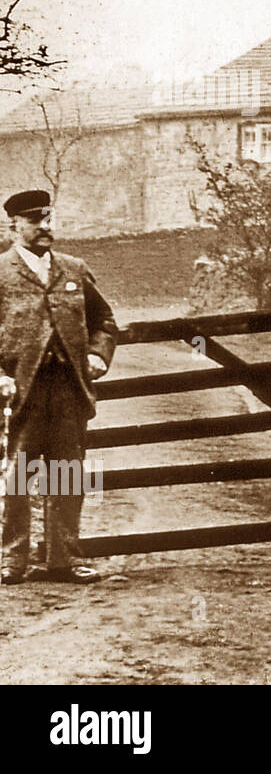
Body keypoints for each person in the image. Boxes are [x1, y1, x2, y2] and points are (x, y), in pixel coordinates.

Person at [0, 189, 117, 585]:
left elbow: (104, 319)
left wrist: (99, 355)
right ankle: (11, 561)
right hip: (21, 392)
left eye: (48, 219)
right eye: (35, 221)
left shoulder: (74, 268)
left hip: (68, 389)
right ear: (14, 225)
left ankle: (62, 560)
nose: (45, 228)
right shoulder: (1, 272)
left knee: (67, 473)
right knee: (18, 476)